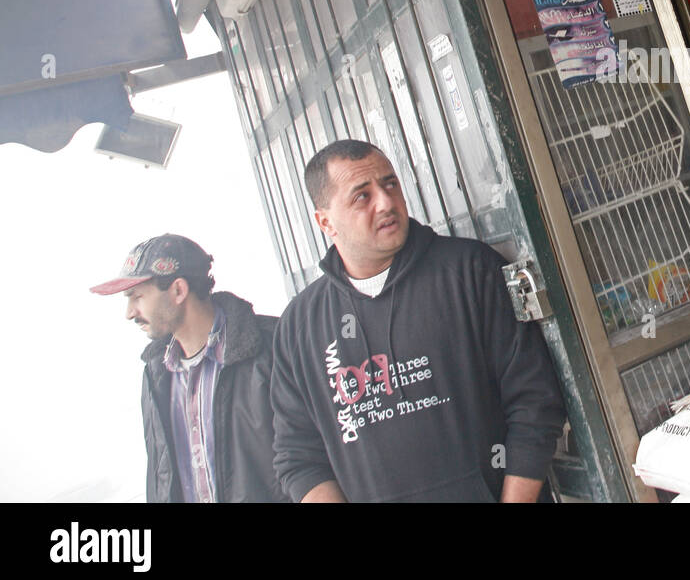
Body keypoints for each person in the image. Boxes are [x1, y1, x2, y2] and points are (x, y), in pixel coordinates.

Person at [270, 139, 567, 502]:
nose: (385, 202)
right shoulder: (299, 327)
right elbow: (298, 458)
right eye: (362, 196)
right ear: (325, 222)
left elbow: (535, 404)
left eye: (390, 183)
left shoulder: (471, 271)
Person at [92, 234, 284, 502]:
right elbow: (161, 479)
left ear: (178, 290)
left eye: (136, 296)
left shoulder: (274, 347)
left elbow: (310, 459)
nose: (129, 312)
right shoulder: (155, 374)